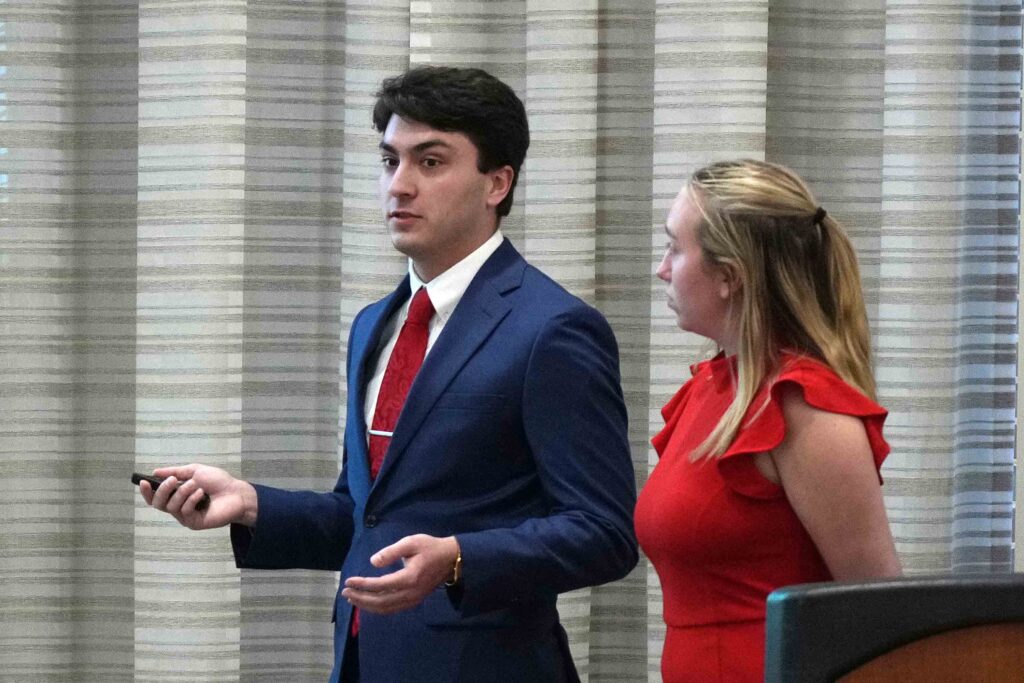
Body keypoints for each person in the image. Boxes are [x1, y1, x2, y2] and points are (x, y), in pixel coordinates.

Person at [138, 65, 638, 683]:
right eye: (389, 160)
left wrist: (458, 558)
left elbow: (604, 533)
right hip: (363, 660)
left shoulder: (554, 329)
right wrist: (250, 504)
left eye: (429, 163)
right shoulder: (376, 322)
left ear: (496, 183)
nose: (398, 186)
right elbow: (369, 515)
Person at [634, 159, 902, 682]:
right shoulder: (713, 388)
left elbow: (880, 615)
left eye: (675, 248)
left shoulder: (807, 408)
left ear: (730, 277)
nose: (662, 268)